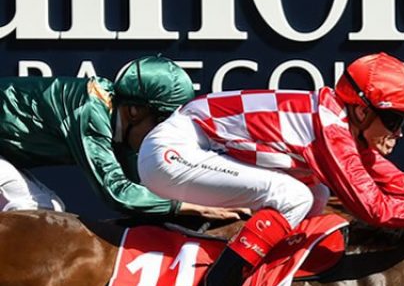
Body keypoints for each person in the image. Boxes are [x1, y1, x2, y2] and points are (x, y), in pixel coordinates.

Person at [138, 52, 404, 286]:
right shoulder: (331, 131)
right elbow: (376, 210)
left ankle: (259, 282)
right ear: (362, 109)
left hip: (200, 147)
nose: (399, 133)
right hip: (172, 152)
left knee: (315, 193)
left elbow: (394, 181)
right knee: (294, 195)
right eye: (395, 120)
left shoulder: (340, 121)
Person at [0, 55, 242, 220]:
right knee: (34, 210)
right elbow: (118, 193)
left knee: (45, 212)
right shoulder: (90, 113)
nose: (165, 136)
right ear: (134, 111)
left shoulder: (120, 119)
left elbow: (149, 185)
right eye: (161, 123)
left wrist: (216, 198)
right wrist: (196, 209)